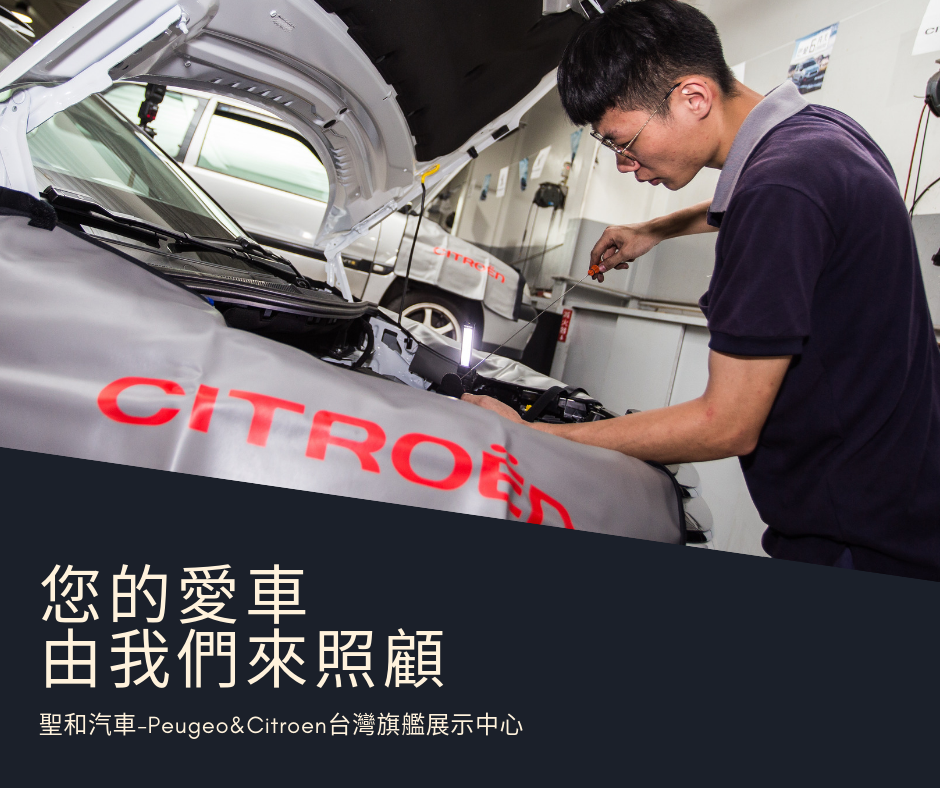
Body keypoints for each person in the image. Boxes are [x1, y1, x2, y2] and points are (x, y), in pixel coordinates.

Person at [462, 0, 940, 580]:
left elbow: (726, 422)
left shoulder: (780, 191)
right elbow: (772, 194)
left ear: (693, 98)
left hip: (863, 542)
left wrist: (537, 436)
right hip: (907, 497)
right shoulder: (820, 135)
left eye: (622, 141)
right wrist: (656, 228)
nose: (624, 164)